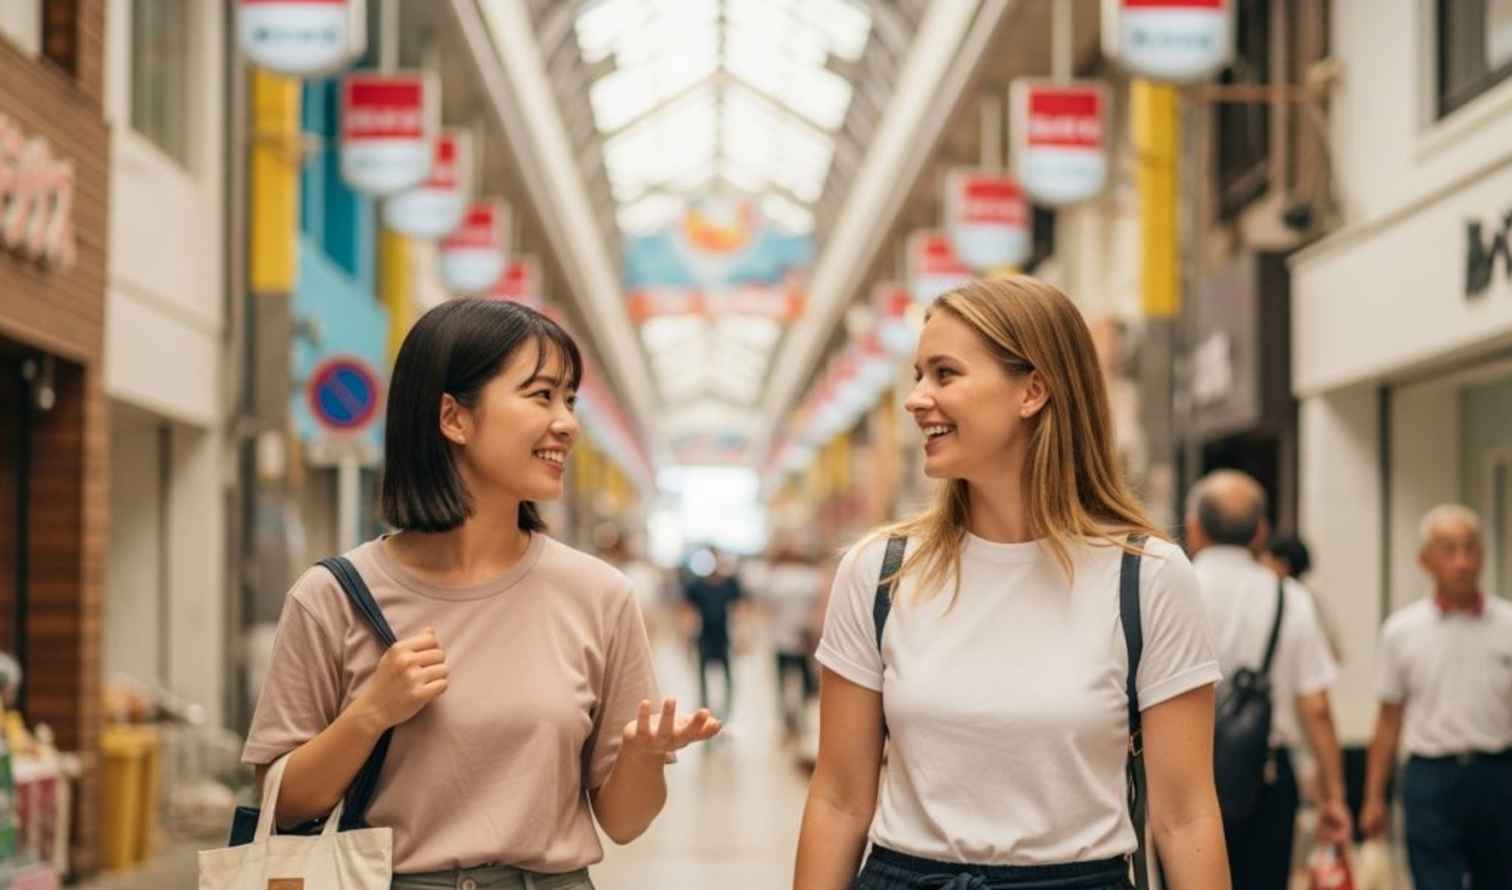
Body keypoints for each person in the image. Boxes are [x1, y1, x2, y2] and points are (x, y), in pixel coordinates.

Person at [241, 299, 720, 890]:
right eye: (540, 395)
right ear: (454, 418)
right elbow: (281, 805)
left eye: (568, 400)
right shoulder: (332, 597)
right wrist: (371, 712)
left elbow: (624, 823)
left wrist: (645, 757)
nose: (566, 422)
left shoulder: (598, 595)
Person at [794, 277, 1229, 890]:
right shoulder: (881, 572)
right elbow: (839, 798)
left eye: (945, 374)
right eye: (919, 375)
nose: (917, 399)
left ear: (1033, 390)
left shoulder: (1147, 576)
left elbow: (1184, 817)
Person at [1184, 472, 1351, 890]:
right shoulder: (1289, 597)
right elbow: (1316, 706)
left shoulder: (1168, 588)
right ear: (1261, 531)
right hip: (1268, 777)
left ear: (1194, 528)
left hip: (1185, 775)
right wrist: (1333, 795)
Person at [1361, 505, 1512, 889]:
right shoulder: (1402, 631)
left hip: (1498, 775)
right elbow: (1388, 718)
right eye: (1449, 550)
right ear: (1425, 560)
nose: (1462, 562)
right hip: (1431, 778)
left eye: (1470, 548)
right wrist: (1374, 797)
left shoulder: (1508, 623)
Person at [757, 543, 825, 739]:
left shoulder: (775, 578)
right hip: (804, 638)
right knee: (805, 680)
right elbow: (816, 606)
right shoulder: (810, 578)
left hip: (780, 638)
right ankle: (802, 716)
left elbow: (766, 607)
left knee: (783, 681)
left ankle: (787, 720)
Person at [1262, 533, 1344, 664]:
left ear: (1282, 564)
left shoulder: (1285, 601)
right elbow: (1336, 652)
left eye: (1267, 559)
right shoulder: (1314, 600)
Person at [682, 548, 744, 718]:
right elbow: (688, 611)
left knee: (727, 674)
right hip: (704, 635)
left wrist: (741, 635)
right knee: (702, 674)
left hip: (723, 635)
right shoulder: (696, 586)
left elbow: (738, 610)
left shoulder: (730, 584)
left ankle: (727, 710)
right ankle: (704, 706)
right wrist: (686, 637)